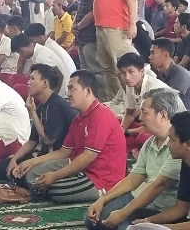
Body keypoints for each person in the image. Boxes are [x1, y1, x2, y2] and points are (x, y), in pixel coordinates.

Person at [12, 71, 126, 204]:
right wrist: (31, 162)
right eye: (68, 89)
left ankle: (36, 191)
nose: (68, 93)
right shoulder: (78, 119)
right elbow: (64, 152)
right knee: (31, 173)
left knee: (56, 190)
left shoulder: (101, 115)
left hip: (101, 179)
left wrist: (55, 176)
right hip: (80, 168)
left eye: (72, 88)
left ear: (87, 91)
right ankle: (39, 189)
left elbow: (88, 157)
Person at [86, 88, 183, 230]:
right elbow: (133, 178)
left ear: (162, 115)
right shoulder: (151, 142)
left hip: (160, 207)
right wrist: (103, 199)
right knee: (93, 219)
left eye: (144, 113)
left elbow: (157, 186)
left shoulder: (177, 145)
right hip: (139, 196)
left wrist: (123, 213)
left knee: (123, 227)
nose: (140, 118)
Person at [0, 64, 78, 183]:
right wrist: (15, 158)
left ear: (45, 83)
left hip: (56, 156)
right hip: (41, 153)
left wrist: (33, 112)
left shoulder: (56, 105)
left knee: (21, 176)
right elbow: (32, 141)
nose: (28, 82)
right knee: (2, 168)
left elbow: (48, 140)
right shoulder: (42, 105)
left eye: (32, 79)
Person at [93, 0, 138, 101]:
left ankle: (131, 103)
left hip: (116, 26)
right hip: (102, 25)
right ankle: (116, 102)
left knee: (123, 68)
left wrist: (132, 24)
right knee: (108, 69)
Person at [149, 38, 190, 114]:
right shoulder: (160, 73)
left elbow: (169, 102)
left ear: (165, 55)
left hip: (187, 121)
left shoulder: (181, 74)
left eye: (153, 53)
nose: (149, 57)